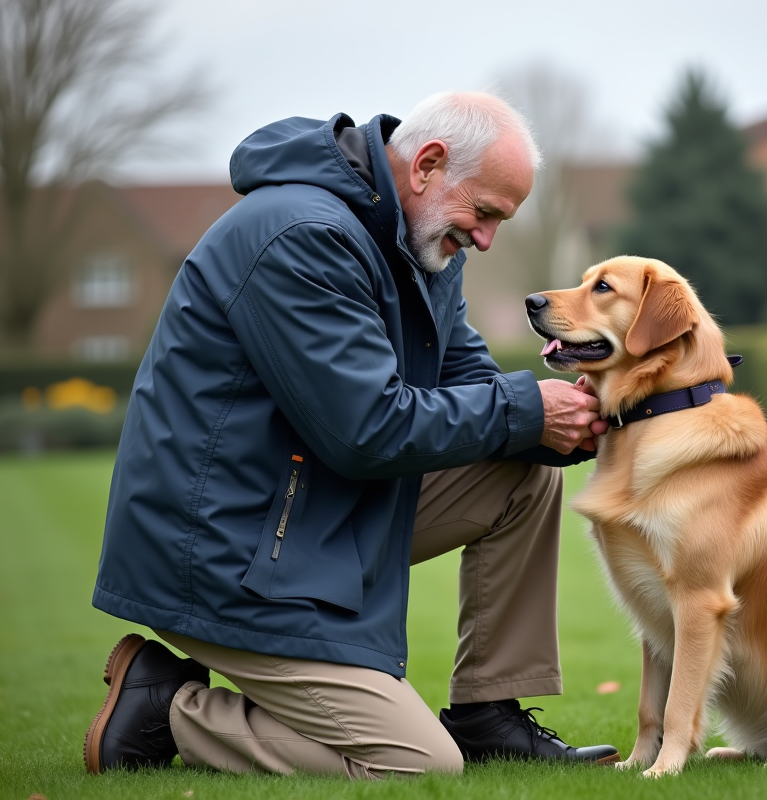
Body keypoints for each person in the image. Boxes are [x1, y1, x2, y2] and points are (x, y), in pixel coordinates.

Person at [84, 92, 618, 779]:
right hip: (221, 552)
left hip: (301, 521)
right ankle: (170, 712)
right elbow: (365, 429)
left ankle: (487, 715)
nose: (485, 240)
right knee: (418, 765)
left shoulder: (422, 245)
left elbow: (468, 381)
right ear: (426, 164)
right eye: (484, 214)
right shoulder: (301, 235)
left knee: (524, 471)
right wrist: (525, 411)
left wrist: (569, 424)